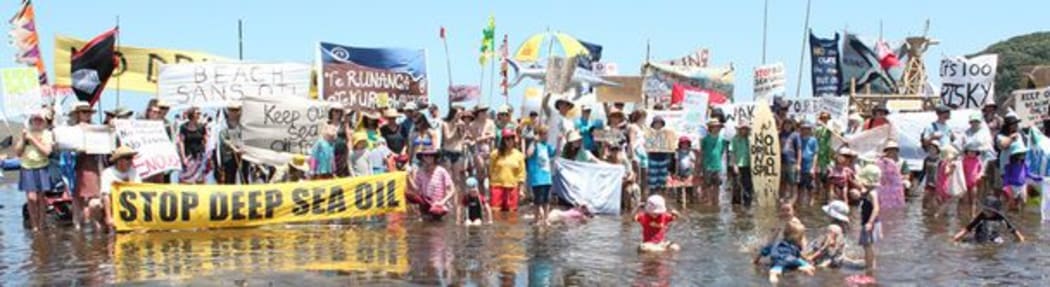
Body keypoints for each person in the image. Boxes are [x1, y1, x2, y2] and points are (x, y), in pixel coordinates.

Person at [16, 111, 55, 231]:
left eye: (40, 120)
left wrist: (32, 139)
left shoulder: (47, 134)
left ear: (43, 122)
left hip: (42, 166)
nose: (37, 122)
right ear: (31, 121)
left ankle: (42, 223)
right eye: (35, 120)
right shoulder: (25, 133)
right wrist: (23, 139)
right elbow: (18, 152)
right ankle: (34, 225)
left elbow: (47, 152)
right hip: (27, 167)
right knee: (31, 198)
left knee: (41, 197)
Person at [69, 102, 102, 230]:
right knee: (77, 196)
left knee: (95, 195)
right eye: (83, 112)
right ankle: (77, 223)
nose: (86, 115)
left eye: (88, 112)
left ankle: (95, 222)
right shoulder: (72, 129)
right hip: (75, 164)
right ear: (78, 114)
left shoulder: (96, 128)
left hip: (93, 163)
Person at [99, 146, 142, 231]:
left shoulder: (134, 171)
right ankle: (101, 226)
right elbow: (106, 195)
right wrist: (109, 217)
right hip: (113, 204)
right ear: (119, 160)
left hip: (129, 205)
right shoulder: (108, 173)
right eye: (128, 158)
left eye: (131, 158)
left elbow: (140, 191)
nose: (131, 161)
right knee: (94, 205)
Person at [952, 196, 1025, 243]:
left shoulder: (1001, 217)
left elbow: (1012, 229)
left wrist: (1020, 238)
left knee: (999, 242)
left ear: (994, 211)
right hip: (980, 236)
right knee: (966, 241)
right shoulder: (982, 215)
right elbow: (969, 228)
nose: (984, 212)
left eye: (987, 210)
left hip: (995, 237)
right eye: (984, 209)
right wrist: (956, 237)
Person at [409, 149, 455, 220]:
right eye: (426, 155)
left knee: (436, 214)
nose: (428, 157)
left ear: (434, 157)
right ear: (423, 157)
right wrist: (408, 177)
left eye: (431, 155)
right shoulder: (420, 172)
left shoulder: (441, 171)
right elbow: (416, 189)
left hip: (438, 205)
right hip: (425, 203)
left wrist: (443, 202)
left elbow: (452, 190)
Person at [489, 128, 526, 212]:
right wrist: (491, 186)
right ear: (503, 140)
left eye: (512, 138)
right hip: (497, 186)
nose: (510, 141)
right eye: (507, 138)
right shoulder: (495, 154)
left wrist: (521, 190)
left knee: (512, 214)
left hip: (512, 187)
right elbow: (490, 170)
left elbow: (521, 174)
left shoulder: (519, 155)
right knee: (495, 212)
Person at [854, 164, 882, 275]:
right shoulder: (869, 191)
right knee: (867, 245)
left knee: (867, 245)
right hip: (872, 222)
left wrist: (870, 223)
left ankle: (870, 268)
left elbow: (876, 208)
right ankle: (870, 265)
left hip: (870, 222)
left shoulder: (872, 193)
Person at [526, 126, 556, 225]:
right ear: (539, 135)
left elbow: (555, 153)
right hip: (537, 179)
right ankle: (536, 219)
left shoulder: (547, 146)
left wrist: (559, 141)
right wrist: (534, 142)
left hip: (547, 178)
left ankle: (546, 219)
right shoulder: (535, 145)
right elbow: (528, 154)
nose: (546, 136)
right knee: (537, 201)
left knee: (547, 200)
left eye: (547, 133)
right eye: (544, 134)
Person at [698, 119, 728, 205]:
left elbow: (722, 152)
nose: (717, 129)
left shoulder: (722, 140)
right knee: (707, 185)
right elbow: (702, 152)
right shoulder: (705, 139)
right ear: (710, 128)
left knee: (717, 186)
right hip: (707, 165)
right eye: (715, 127)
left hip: (718, 166)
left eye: (718, 127)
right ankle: (709, 202)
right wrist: (700, 164)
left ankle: (716, 202)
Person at [176, 107, 208, 184]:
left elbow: (205, 141)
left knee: (200, 179)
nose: (199, 115)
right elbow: (181, 142)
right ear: (192, 114)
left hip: (199, 156)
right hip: (188, 156)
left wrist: (206, 155)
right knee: (187, 179)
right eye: (197, 113)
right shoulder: (183, 127)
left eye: (200, 113)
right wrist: (183, 157)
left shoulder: (202, 127)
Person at [218, 103, 247, 184]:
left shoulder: (243, 124)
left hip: (244, 154)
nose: (235, 112)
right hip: (229, 155)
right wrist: (234, 148)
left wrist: (243, 148)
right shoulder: (223, 124)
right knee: (230, 177)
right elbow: (223, 138)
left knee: (245, 176)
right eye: (232, 110)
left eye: (237, 110)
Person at [1002, 142, 1035, 212]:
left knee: (1023, 201)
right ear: (1016, 155)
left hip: (1022, 185)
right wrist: (1006, 186)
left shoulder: (1024, 165)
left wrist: (1038, 177)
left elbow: (1028, 174)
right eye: (1022, 154)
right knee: (1011, 202)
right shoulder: (1009, 166)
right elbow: (1006, 177)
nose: (1024, 155)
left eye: (1024, 154)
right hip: (1012, 186)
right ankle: (1008, 215)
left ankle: (1021, 215)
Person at [814, 112, 838, 205]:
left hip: (828, 156)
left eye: (826, 118)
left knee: (829, 178)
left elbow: (836, 137)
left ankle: (828, 198)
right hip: (819, 156)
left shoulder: (831, 129)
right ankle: (818, 197)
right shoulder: (817, 129)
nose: (824, 119)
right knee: (818, 177)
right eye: (823, 118)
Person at [876, 140, 907, 210]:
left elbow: (906, 175)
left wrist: (898, 178)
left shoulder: (901, 162)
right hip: (883, 185)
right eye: (890, 150)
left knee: (906, 183)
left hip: (897, 185)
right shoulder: (880, 162)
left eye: (894, 150)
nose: (892, 152)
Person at [729, 121, 753, 207]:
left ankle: (747, 205)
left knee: (748, 186)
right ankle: (736, 206)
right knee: (737, 186)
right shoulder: (735, 139)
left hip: (748, 166)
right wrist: (734, 165)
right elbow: (732, 153)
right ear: (739, 129)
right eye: (742, 129)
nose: (744, 130)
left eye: (746, 129)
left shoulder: (750, 139)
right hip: (738, 165)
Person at [797, 120, 819, 206]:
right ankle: (800, 203)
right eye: (803, 129)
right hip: (800, 166)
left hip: (809, 166)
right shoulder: (798, 139)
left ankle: (811, 203)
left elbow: (815, 154)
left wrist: (813, 167)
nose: (805, 130)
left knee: (811, 187)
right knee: (800, 186)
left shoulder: (813, 140)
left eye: (807, 129)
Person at [962, 141, 985, 216]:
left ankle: (973, 214)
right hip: (964, 184)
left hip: (974, 183)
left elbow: (982, 170)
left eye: (974, 152)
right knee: (964, 200)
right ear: (967, 152)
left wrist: (979, 175)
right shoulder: (964, 160)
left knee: (973, 200)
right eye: (970, 151)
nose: (972, 153)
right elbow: (960, 171)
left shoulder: (978, 161)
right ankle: (963, 214)